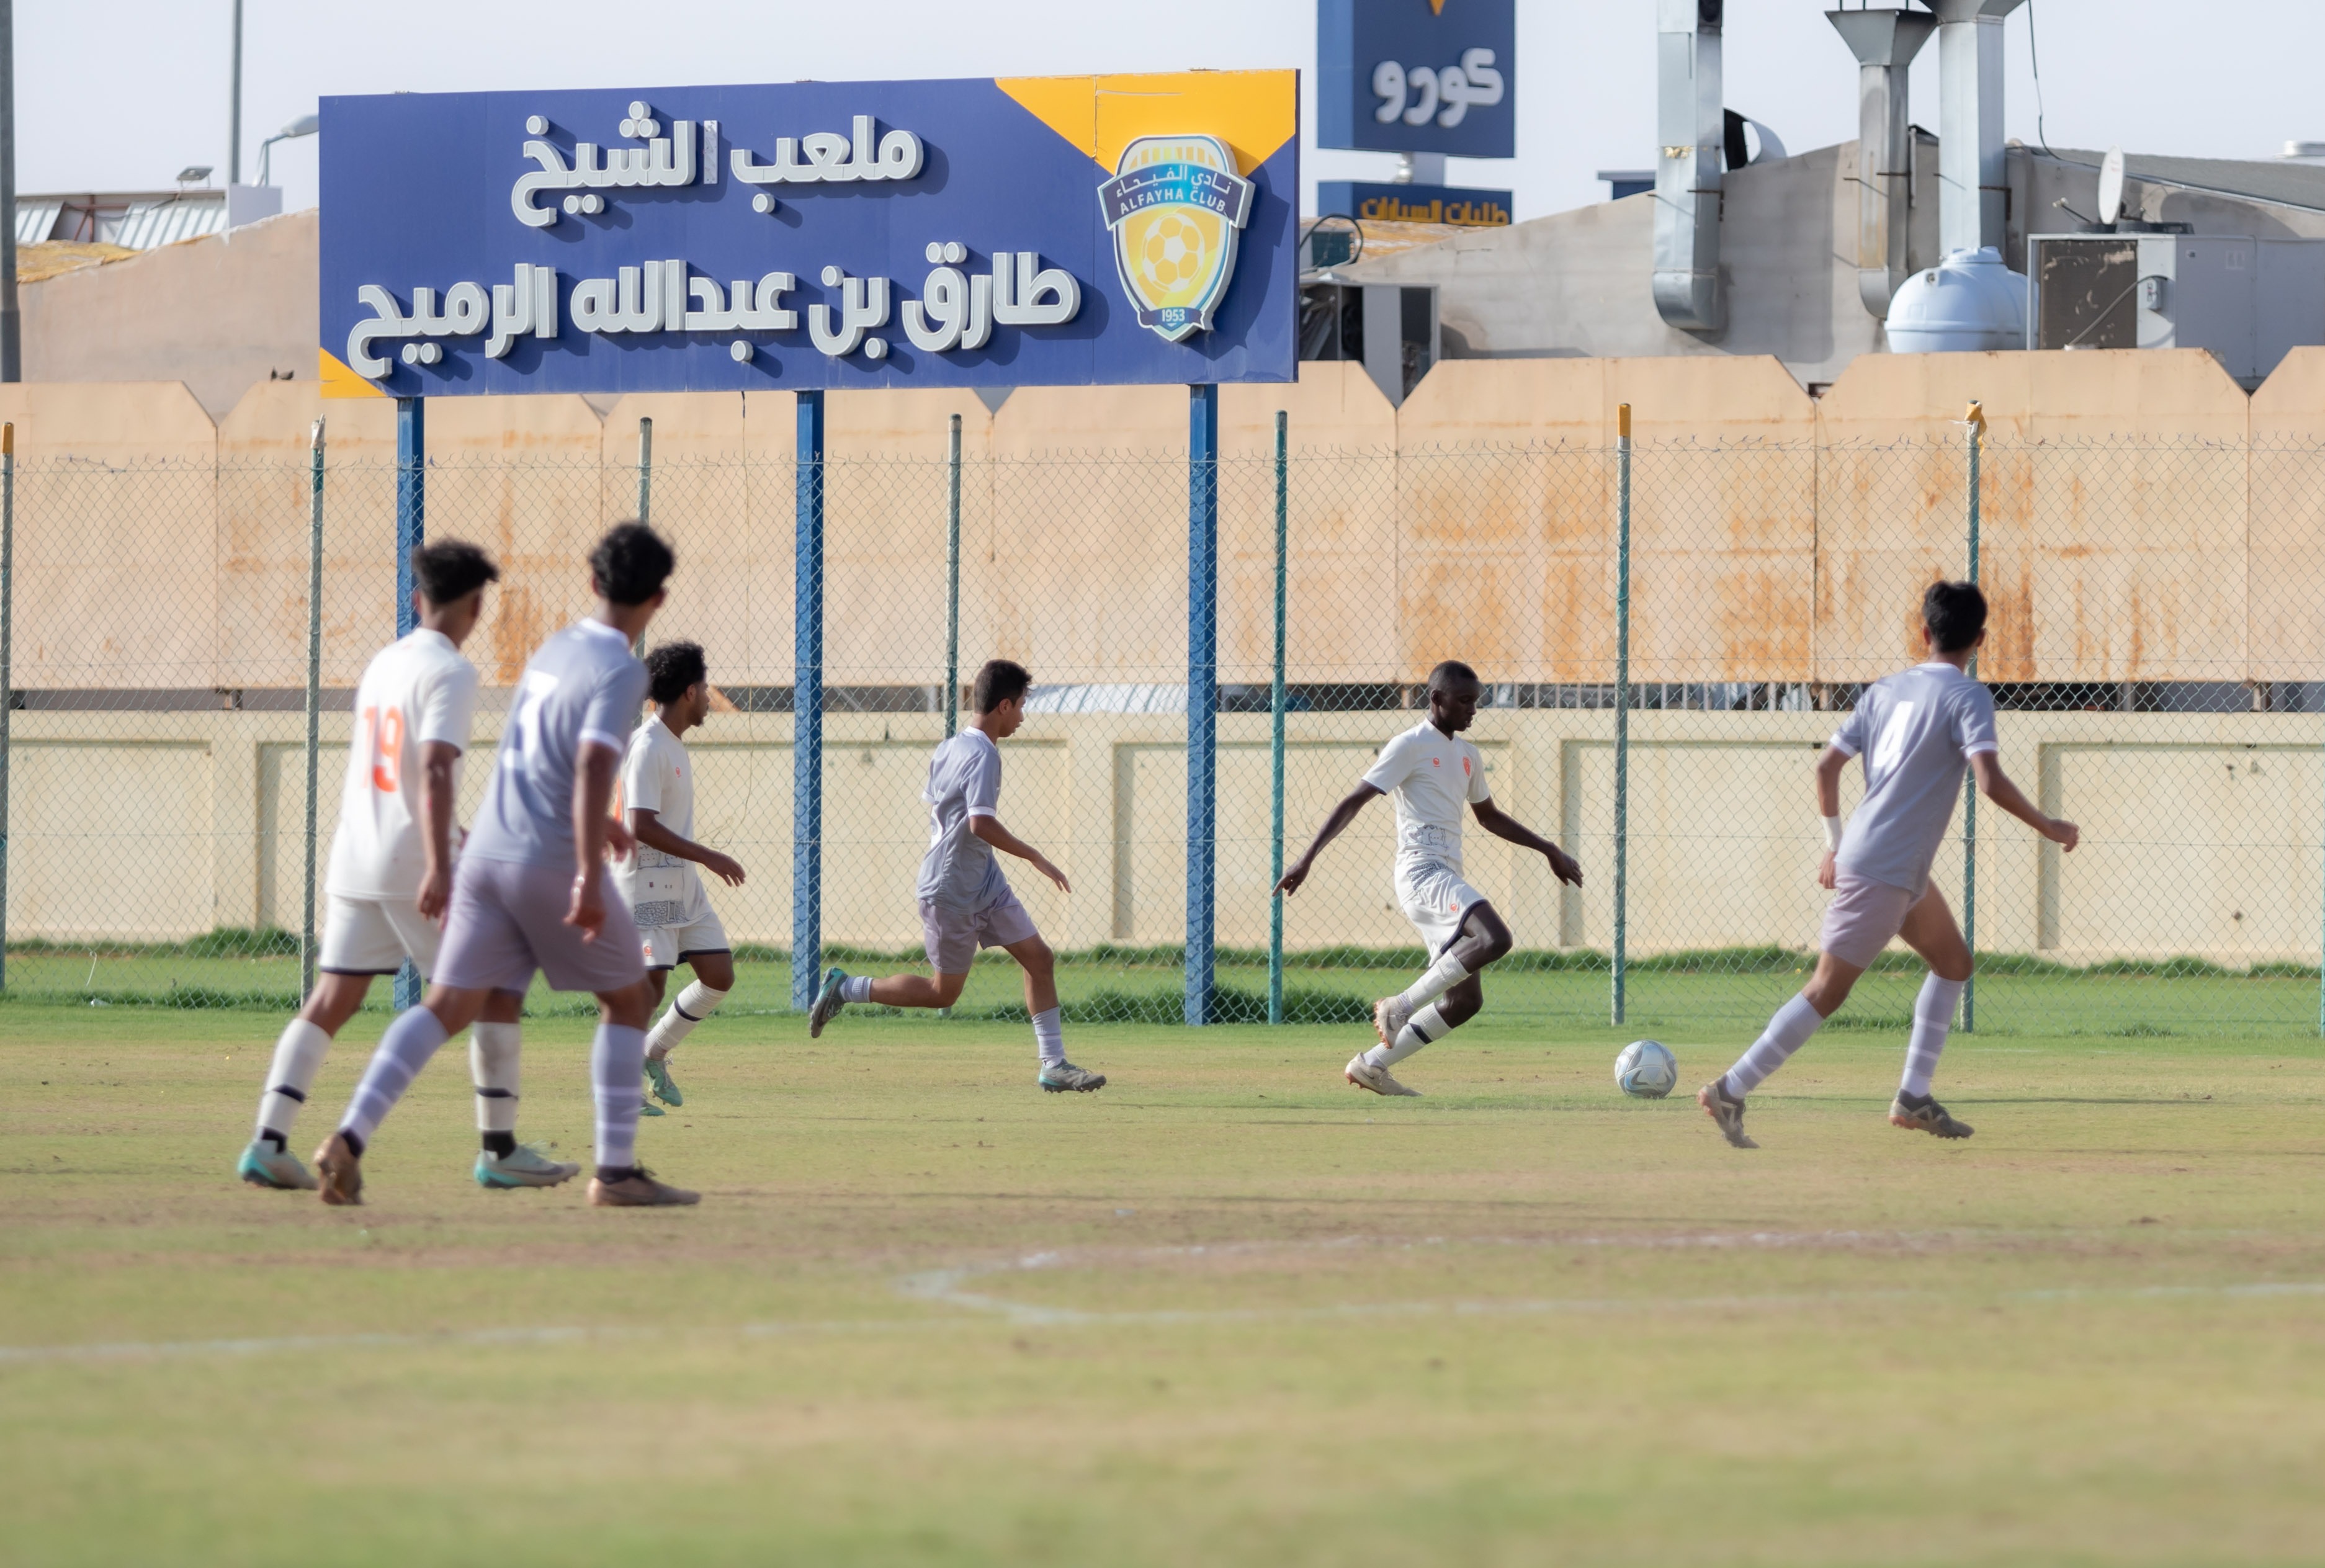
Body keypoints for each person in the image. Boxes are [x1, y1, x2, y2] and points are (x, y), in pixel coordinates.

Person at [315, 522, 698, 1207]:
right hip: (545, 860)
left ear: (591, 583)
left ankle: (347, 1137)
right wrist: (586, 868)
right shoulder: (621, 668)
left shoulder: (555, 647)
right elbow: (588, 765)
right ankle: (614, 1173)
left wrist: (603, 825)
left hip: (488, 849)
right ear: (659, 599)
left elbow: (541, 752)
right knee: (631, 998)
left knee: (446, 1005)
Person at [1698, 580, 2079, 1149]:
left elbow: (1826, 766)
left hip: (1893, 866)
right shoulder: (1966, 696)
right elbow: (1989, 780)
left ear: (1923, 633)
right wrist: (2048, 825)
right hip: (1884, 867)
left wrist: (1834, 842)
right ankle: (1730, 1087)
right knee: (1825, 990)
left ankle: (1913, 1096)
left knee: (1953, 963)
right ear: (1979, 639)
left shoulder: (1883, 690)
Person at [238, 542, 569, 1193]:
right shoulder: (452, 671)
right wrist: (443, 862)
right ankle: (497, 1150)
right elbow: (438, 766)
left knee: (333, 998)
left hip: (356, 852)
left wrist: (454, 835)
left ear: (418, 599)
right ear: (477, 607)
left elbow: (398, 768)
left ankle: (268, 1141)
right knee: (496, 988)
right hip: (412, 859)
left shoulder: (385, 661)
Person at [1276, 660, 1584, 1096]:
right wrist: (1306, 858)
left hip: (1444, 875)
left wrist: (1548, 849)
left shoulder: (1467, 755)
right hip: (1422, 872)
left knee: (1464, 1001)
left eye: (1475, 701)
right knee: (1495, 938)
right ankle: (1397, 1005)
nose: (1471, 710)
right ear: (1436, 699)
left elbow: (1489, 817)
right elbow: (1355, 799)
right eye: (1463, 701)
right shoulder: (1409, 744)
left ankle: (1371, 1065)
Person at [807, 658, 1104, 1093]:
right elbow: (978, 823)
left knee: (1039, 958)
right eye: (1021, 706)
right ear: (1003, 705)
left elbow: (943, 812)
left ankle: (1054, 1064)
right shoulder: (983, 754)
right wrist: (1035, 856)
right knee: (942, 993)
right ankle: (846, 987)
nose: (1023, 716)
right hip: (950, 888)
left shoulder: (950, 746)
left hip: (983, 879)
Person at [616, 641, 746, 1113]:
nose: (711, 698)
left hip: (680, 885)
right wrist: (709, 855)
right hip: (646, 882)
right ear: (690, 692)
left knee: (718, 975)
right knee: (648, 989)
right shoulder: (648, 745)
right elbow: (640, 824)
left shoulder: (669, 743)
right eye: (706, 689)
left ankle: (653, 1052)